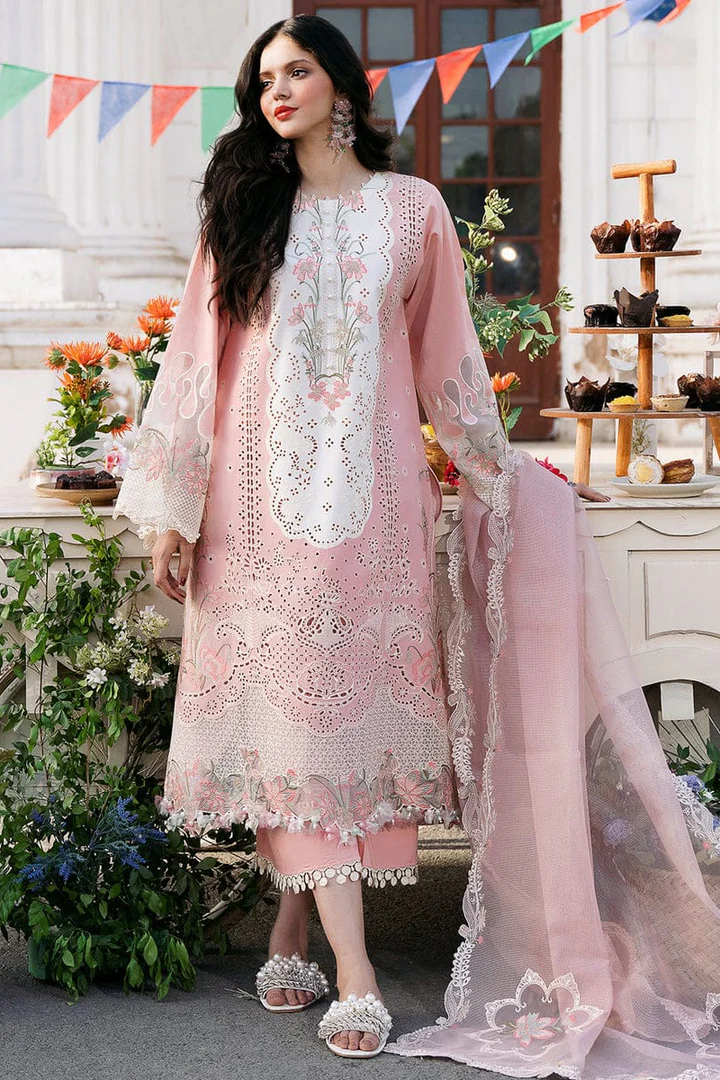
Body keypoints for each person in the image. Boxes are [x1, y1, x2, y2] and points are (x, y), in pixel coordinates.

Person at [115, 14, 720, 1078]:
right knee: (286, 723)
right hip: (254, 515)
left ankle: (295, 924)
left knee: (339, 729)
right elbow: (196, 363)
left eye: (298, 71)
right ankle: (354, 969)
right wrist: (176, 507)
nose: (277, 92)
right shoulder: (242, 208)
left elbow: (447, 358)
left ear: (344, 87)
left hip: (376, 513)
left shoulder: (412, 211)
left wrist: (498, 473)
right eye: (263, 79)